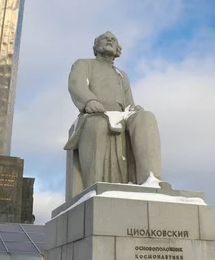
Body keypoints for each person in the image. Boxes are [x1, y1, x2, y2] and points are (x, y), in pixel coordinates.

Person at [64, 31, 162, 191]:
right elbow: (76, 84)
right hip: (95, 113)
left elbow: (128, 101)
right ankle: (94, 185)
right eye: (105, 39)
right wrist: (89, 100)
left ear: (118, 48)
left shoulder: (121, 75)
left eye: (113, 40)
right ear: (95, 46)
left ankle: (151, 179)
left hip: (121, 115)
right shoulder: (84, 64)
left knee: (146, 117)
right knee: (99, 124)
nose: (109, 40)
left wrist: (133, 109)